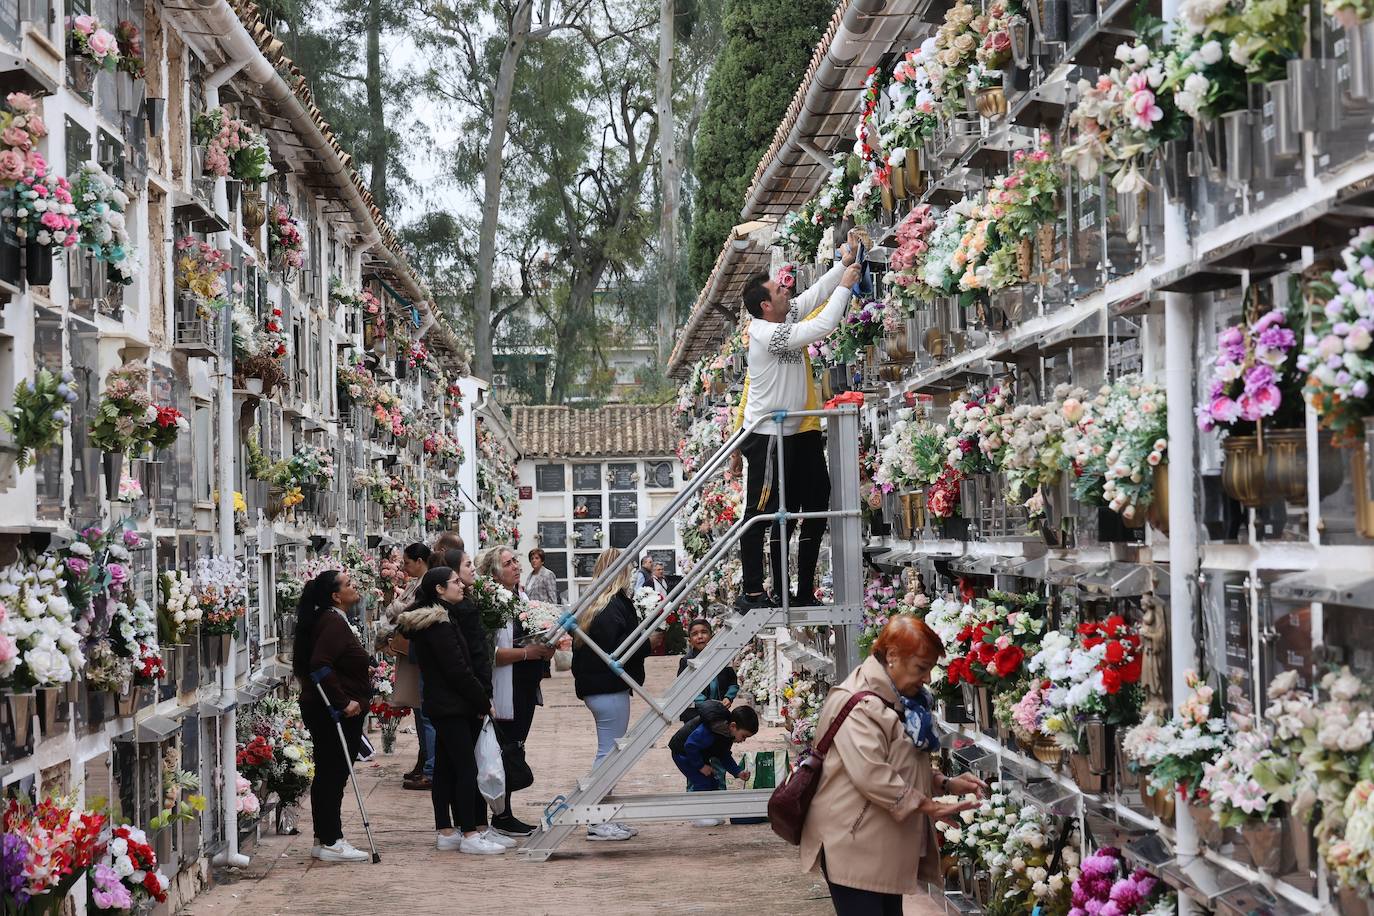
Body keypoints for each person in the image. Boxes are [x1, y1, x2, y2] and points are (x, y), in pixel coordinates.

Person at [800, 616, 986, 916]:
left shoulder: (897, 699)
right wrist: (928, 806)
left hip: (876, 841)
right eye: (921, 668)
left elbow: (898, 759)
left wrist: (944, 784)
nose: (926, 679)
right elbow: (872, 774)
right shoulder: (860, 704)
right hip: (854, 842)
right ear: (892, 657)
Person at [731, 234, 863, 611]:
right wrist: (847, 287)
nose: (786, 289)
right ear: (764, 305)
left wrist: (842, 266)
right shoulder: (765, 333)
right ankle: (753, 593)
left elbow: (811, 297)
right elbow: (819, 327)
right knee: (762, 512)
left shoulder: (780, 315)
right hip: (767, 437)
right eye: (777, 289)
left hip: (794, 432)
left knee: (817, 499)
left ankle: (803, 589)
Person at [396, 566, 510, 855]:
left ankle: (446, 831)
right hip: (451, 705)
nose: (462, 585)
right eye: (455, 582)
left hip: (444, 703)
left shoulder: (439, 618)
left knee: (446, 767)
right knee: (465, 768)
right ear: (439, 589)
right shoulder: (438, 624)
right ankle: (469, 832)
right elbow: (457, 670)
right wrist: (483, 701)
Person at [570, 548, 663, 841]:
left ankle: (602, 816)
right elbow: (620, 648)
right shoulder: (612, 605)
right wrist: (649, 642)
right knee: (608, 754)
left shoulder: (598, 602)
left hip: (600, 687)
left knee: (608, 751)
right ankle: (595, 819)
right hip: (608, 686)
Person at [294, 570, 372, 863]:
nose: (355, 587)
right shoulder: (332, 622)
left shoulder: (332, 620)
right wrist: (343, 702)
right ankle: (331, 840)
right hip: (332, 712)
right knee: (334, 774)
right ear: (336, 596)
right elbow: (320, 664)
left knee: (330, 773)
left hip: (325, 709)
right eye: (349, 584)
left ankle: (324, 838)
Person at [479, 545, 555, 837]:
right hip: (503, 687)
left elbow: (527, 637)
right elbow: (489, 652)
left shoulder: (520, 596)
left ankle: (503, 813)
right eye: (509, 563)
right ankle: (501, 814)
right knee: (503, 752)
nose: (516, 566)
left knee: (515, 748)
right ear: (494, 572)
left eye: (515, 561)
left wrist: (544, 648)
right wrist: (528, 653)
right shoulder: (490, 604)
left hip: (523, 686)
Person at [384, 543, 434, 791]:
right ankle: (424, 761)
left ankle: (428, 765)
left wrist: (394, 606)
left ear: (420, 561)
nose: (403, 567)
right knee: (418, 709)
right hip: (410, 652)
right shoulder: (416, 581)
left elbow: (401, 611)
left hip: (417, 653)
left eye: (407, 562)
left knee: (423, 711)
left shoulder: (425, 583)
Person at [668, 700, 757, 804]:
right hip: (683, 753)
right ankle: (701, 815)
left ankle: (711, 812)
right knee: (702, 782)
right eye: (744, 736)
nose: (744, 740)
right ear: (733, 726)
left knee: (713, 782)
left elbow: (724, 755)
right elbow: (690, 745)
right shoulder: (711, 729)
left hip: (698, 753)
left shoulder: (727, 734)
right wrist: (700, 766)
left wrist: (738, 772)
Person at [676, 619, 739, 721]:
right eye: (695, 634)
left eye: (704, 632)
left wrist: (728, 697)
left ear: (712, 636)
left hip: (719, 711)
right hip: (695, 714)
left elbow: (733, 682)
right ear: (690, 640)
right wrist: (708, 704)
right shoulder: (686, 661)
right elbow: (684, 688)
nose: (700, 636)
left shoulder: (721, 658)